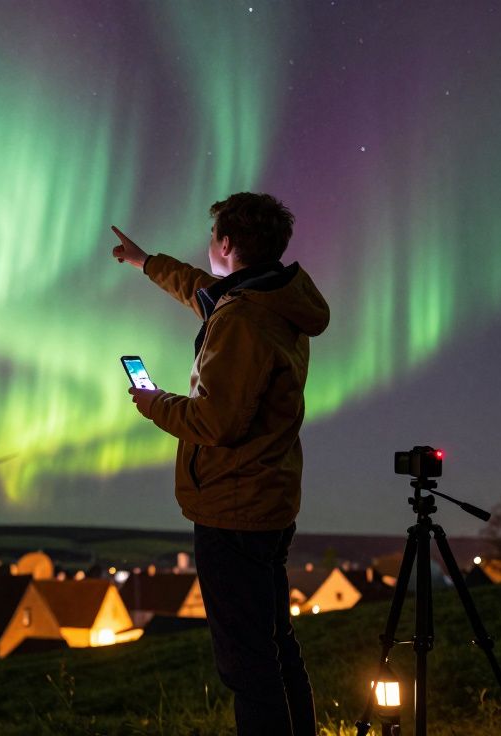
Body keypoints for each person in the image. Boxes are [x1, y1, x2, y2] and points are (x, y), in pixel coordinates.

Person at [110, 192, 329, 735]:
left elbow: (217, 423)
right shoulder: (270, 298)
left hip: (233, 507)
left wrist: (154, 402)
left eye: (213, 238)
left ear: (227, 244)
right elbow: (203, 290)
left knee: (247, 663)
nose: (208, 247)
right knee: (276, 645)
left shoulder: (243, 321)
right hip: (267, 497)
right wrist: (146, 262)